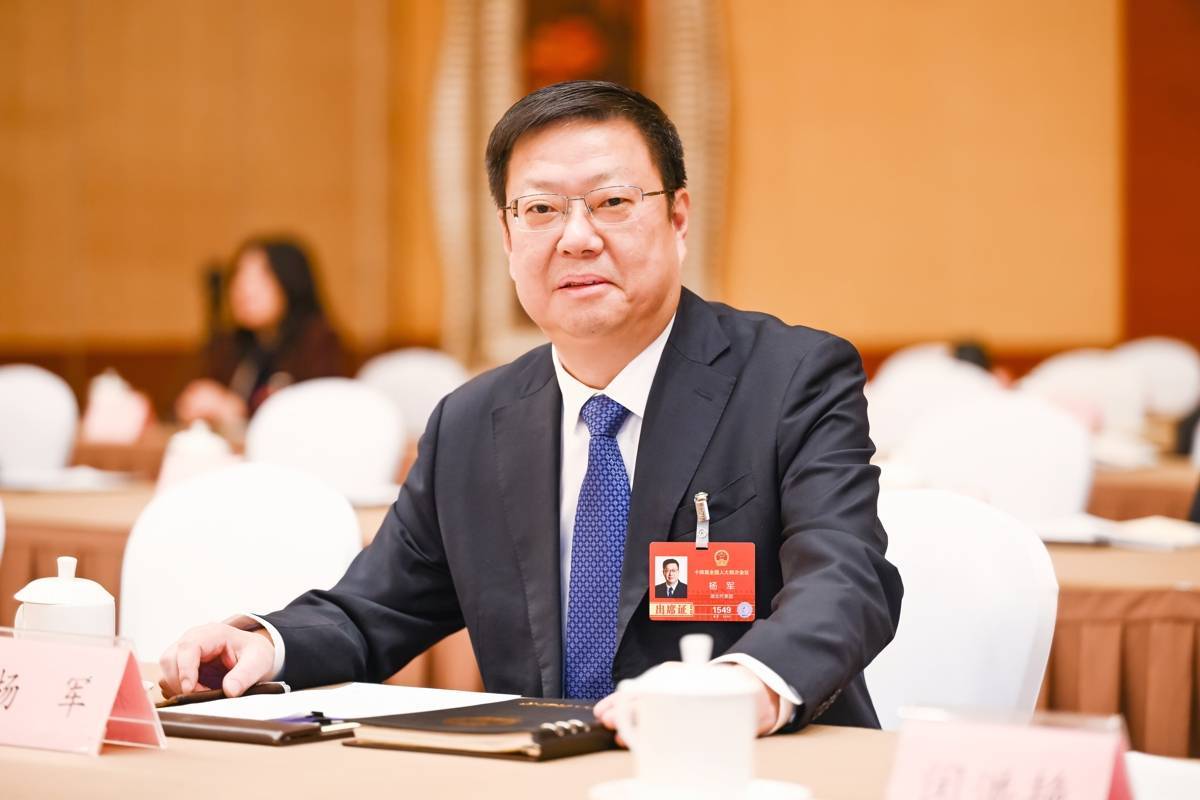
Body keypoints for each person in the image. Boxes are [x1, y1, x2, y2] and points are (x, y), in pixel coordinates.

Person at [159, 81, 902, 736]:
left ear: (679, 217)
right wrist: (267, 645)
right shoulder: (472, 424)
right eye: (541, 209)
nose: (576, 238)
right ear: (509, 236)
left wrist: (744, 688)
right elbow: (375, 609)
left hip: (741, 770)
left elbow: (846, 580)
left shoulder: (790, 378)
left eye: (612, 203)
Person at [175, 237, 346, 429]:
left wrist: (238, 412)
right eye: (238, 275)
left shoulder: (318, 342)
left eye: (260, 277)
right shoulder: (229, 345)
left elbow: (321, 418)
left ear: (290, 281)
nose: (244, 289)